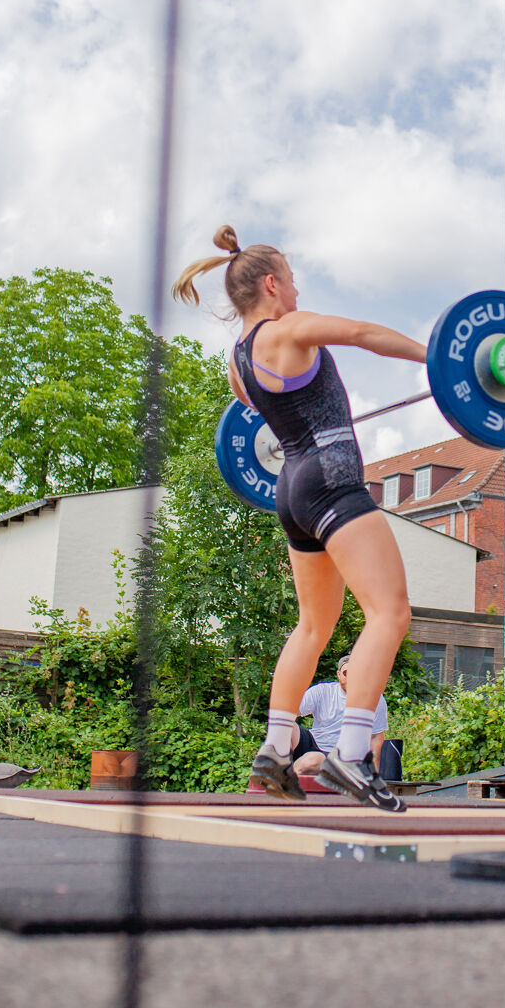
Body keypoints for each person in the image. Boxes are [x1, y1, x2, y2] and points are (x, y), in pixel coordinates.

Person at [174, 226, 425, 810]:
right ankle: (352, 754)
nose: (296, 288)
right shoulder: (288, 328)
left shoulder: (238, 359)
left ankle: (275, 747)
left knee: (314, 626)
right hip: (331, 480)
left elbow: (266, 409)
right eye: (290, 279)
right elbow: (362, 334)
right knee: (389, 613)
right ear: (270, 284)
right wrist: (436, 359)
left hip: (290, 489)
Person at [291, 652, 389, 776]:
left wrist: (373, 775)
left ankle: (287, 776)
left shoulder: (374, 699)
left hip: (342, 757)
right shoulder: (322, 691)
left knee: (311, 762)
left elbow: (375, 738)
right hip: (314, 744)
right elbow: (291, 711)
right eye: (346, 673)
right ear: (339, 674)